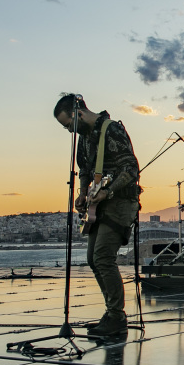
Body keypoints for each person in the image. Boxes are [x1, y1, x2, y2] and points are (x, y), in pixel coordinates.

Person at [53, 94, 141, 338]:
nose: (69, 130)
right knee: (93, 258)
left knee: (103, 257)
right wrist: (83, 194)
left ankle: (116, 316)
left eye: (68, 124)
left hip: (121, 202)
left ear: (78, 113)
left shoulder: (111, 130)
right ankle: (112, 312)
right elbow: (85, 168)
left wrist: (108, 192)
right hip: (99, 204)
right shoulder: (84, 139)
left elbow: (131, 169)